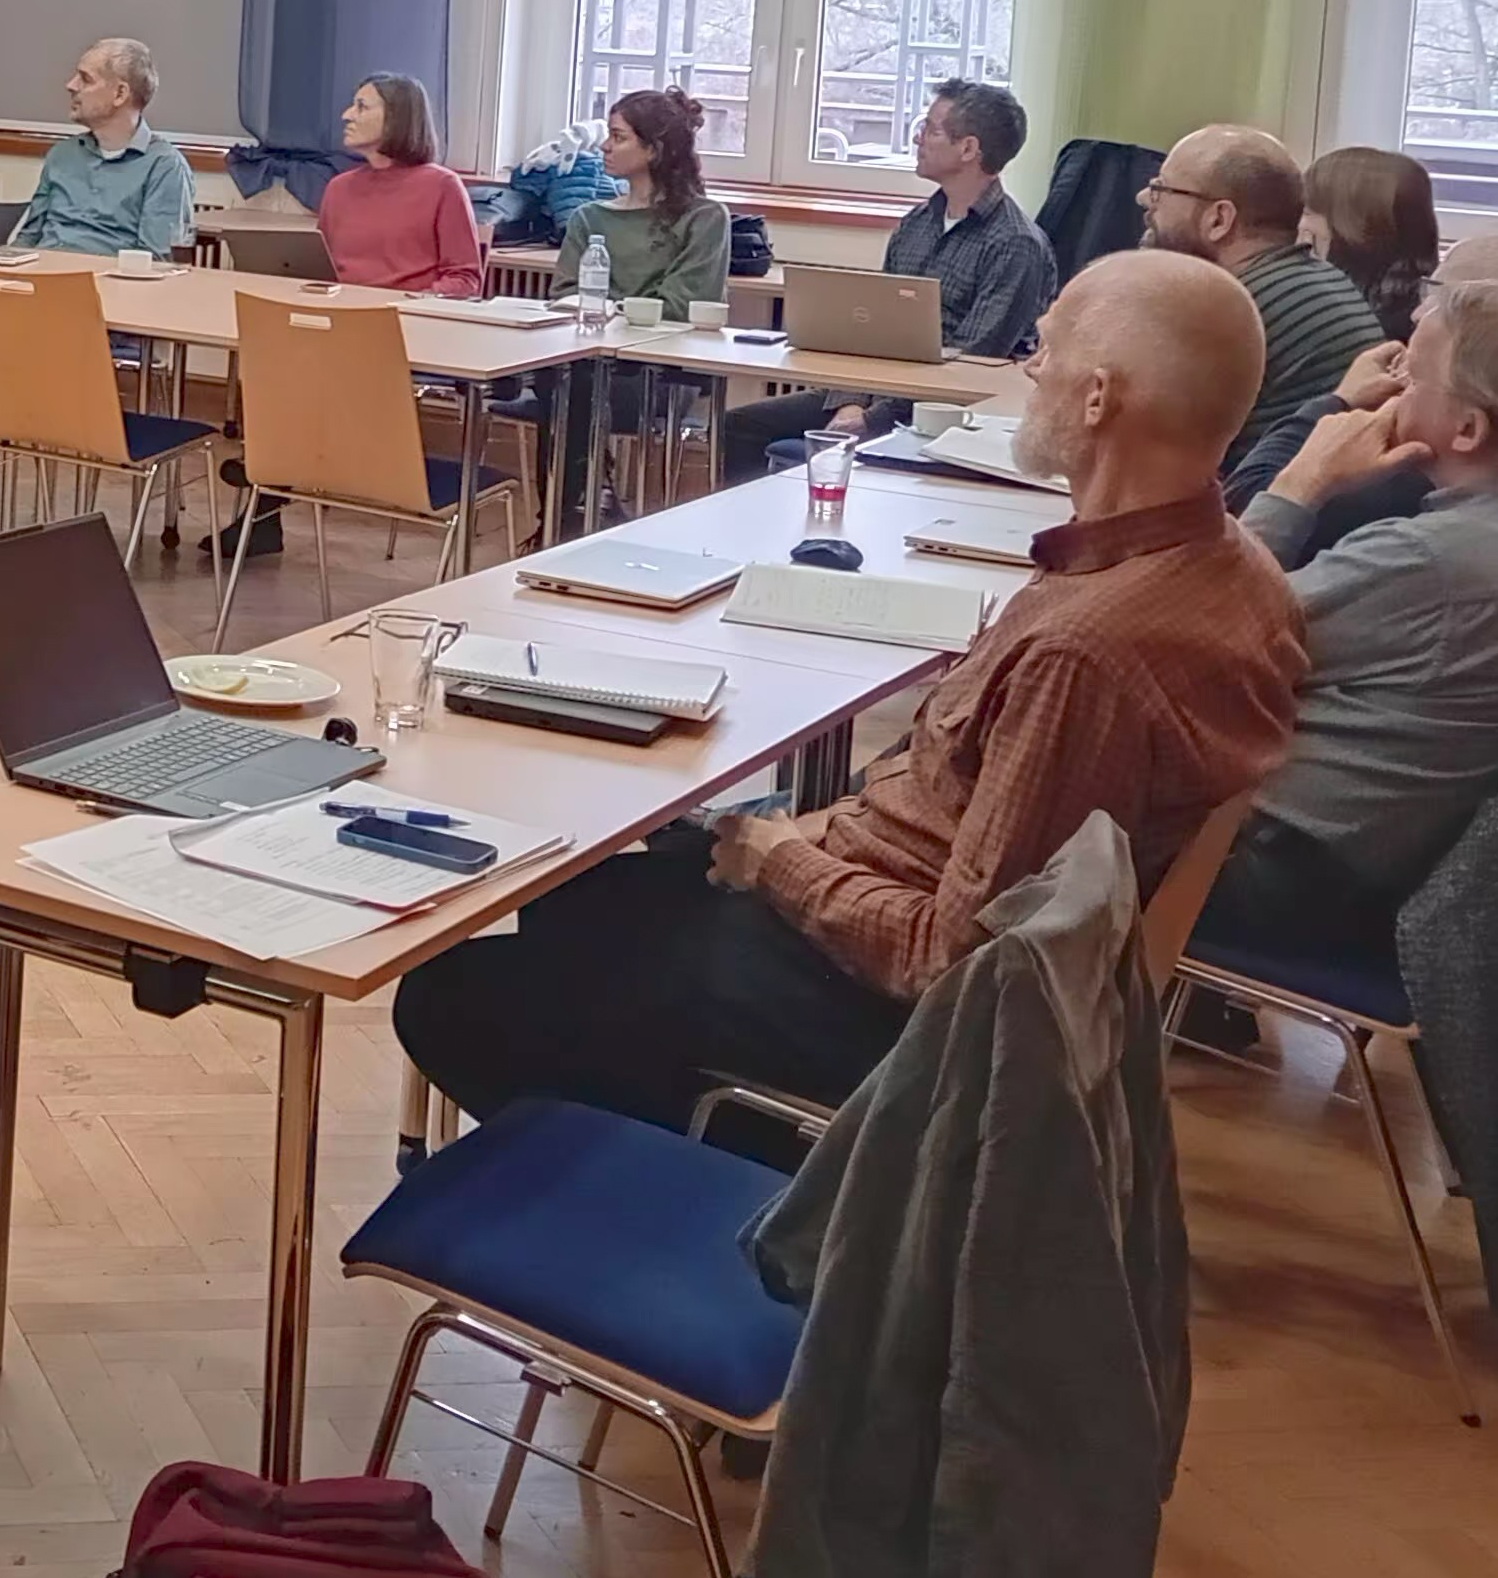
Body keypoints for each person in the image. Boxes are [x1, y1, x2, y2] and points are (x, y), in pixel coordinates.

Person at [392, 251, 1305, 1145]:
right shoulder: (1238, 574)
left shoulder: (1087, 652)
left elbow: (951, 962)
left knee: (450, 996)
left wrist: (783, 861)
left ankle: (746, 1205)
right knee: (576, 891)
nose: (1032, 369)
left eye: (1048, 348)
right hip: (939, 937)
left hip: (895, 1025)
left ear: (1099, 397)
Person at [1201, 281, 1498, 966]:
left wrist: (1300, 482)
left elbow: (1193, 628)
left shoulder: (1431, 563)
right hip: (1402, 883)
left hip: (1273, 878)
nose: (1395, 389)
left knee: (1038, 792)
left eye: (1414, 373)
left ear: (1467, 429)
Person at [722, 78, 1057, 480]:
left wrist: (872, 418)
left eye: (932, 130)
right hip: (873, 395)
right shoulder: (916, 224)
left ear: (968, 148)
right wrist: (849, 402)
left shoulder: (1016, 244)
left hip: (941, 415)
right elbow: (871, 329)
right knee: (738, 427)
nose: (918, 139)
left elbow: (972, 363)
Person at [1221, 222, 1498, 521]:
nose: (1417, 313)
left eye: (1438, 296)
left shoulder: (1423, 465)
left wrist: (1337, 402)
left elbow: (1246, 508)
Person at [1141, 125, 1383, 463]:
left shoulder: (1228, 311)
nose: (1144, 199)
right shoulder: (1321, 280)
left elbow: (1141, 449)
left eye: (1161, 190)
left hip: (1258, 506)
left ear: (1219, 219)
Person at [2, 36, 196, 257]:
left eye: (85, 79)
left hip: (107, 285)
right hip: (42, 279)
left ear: (120, 94)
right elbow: (28, 238)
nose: (71, 86)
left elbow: (155, 262)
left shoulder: (164, 166)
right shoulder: (62, 155)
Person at [554, 89, 730, 313]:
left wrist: (608, 307)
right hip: (597, 341)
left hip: (669, 345)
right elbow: (565, 298)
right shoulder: (588, 218)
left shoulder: (705, 218)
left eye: (618, 137)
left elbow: (682, 308)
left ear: (654, 150)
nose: (605, 146)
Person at [314, 72, 485, 297]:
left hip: (409, 318)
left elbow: (464, 281)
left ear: (396, 118)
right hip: (341, 314)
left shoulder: (442, 186)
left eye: (361, 107)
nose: (347, 115)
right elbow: (318, 271)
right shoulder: (338, 187)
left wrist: (410, 303)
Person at [1304, 144, 1441, 346]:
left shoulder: (1357, 325)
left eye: (1308, 212)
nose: (1301, 224)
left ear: (1351, 227)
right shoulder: (1424, 305)